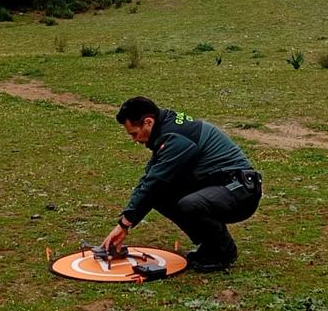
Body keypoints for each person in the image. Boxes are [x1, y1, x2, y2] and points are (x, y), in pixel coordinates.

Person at [100, 96, 262, 272]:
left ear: (148, 122)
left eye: (134, 133)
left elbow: (154, 182)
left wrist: (123, 226)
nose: (135, 140)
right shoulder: (166, 130)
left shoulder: (176, 139)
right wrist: (125, 222)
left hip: (240, 191)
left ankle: (223, 251)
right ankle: (209, 245)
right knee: (160, 194)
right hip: (218, 184)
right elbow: (149, 181)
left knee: (189, 204)